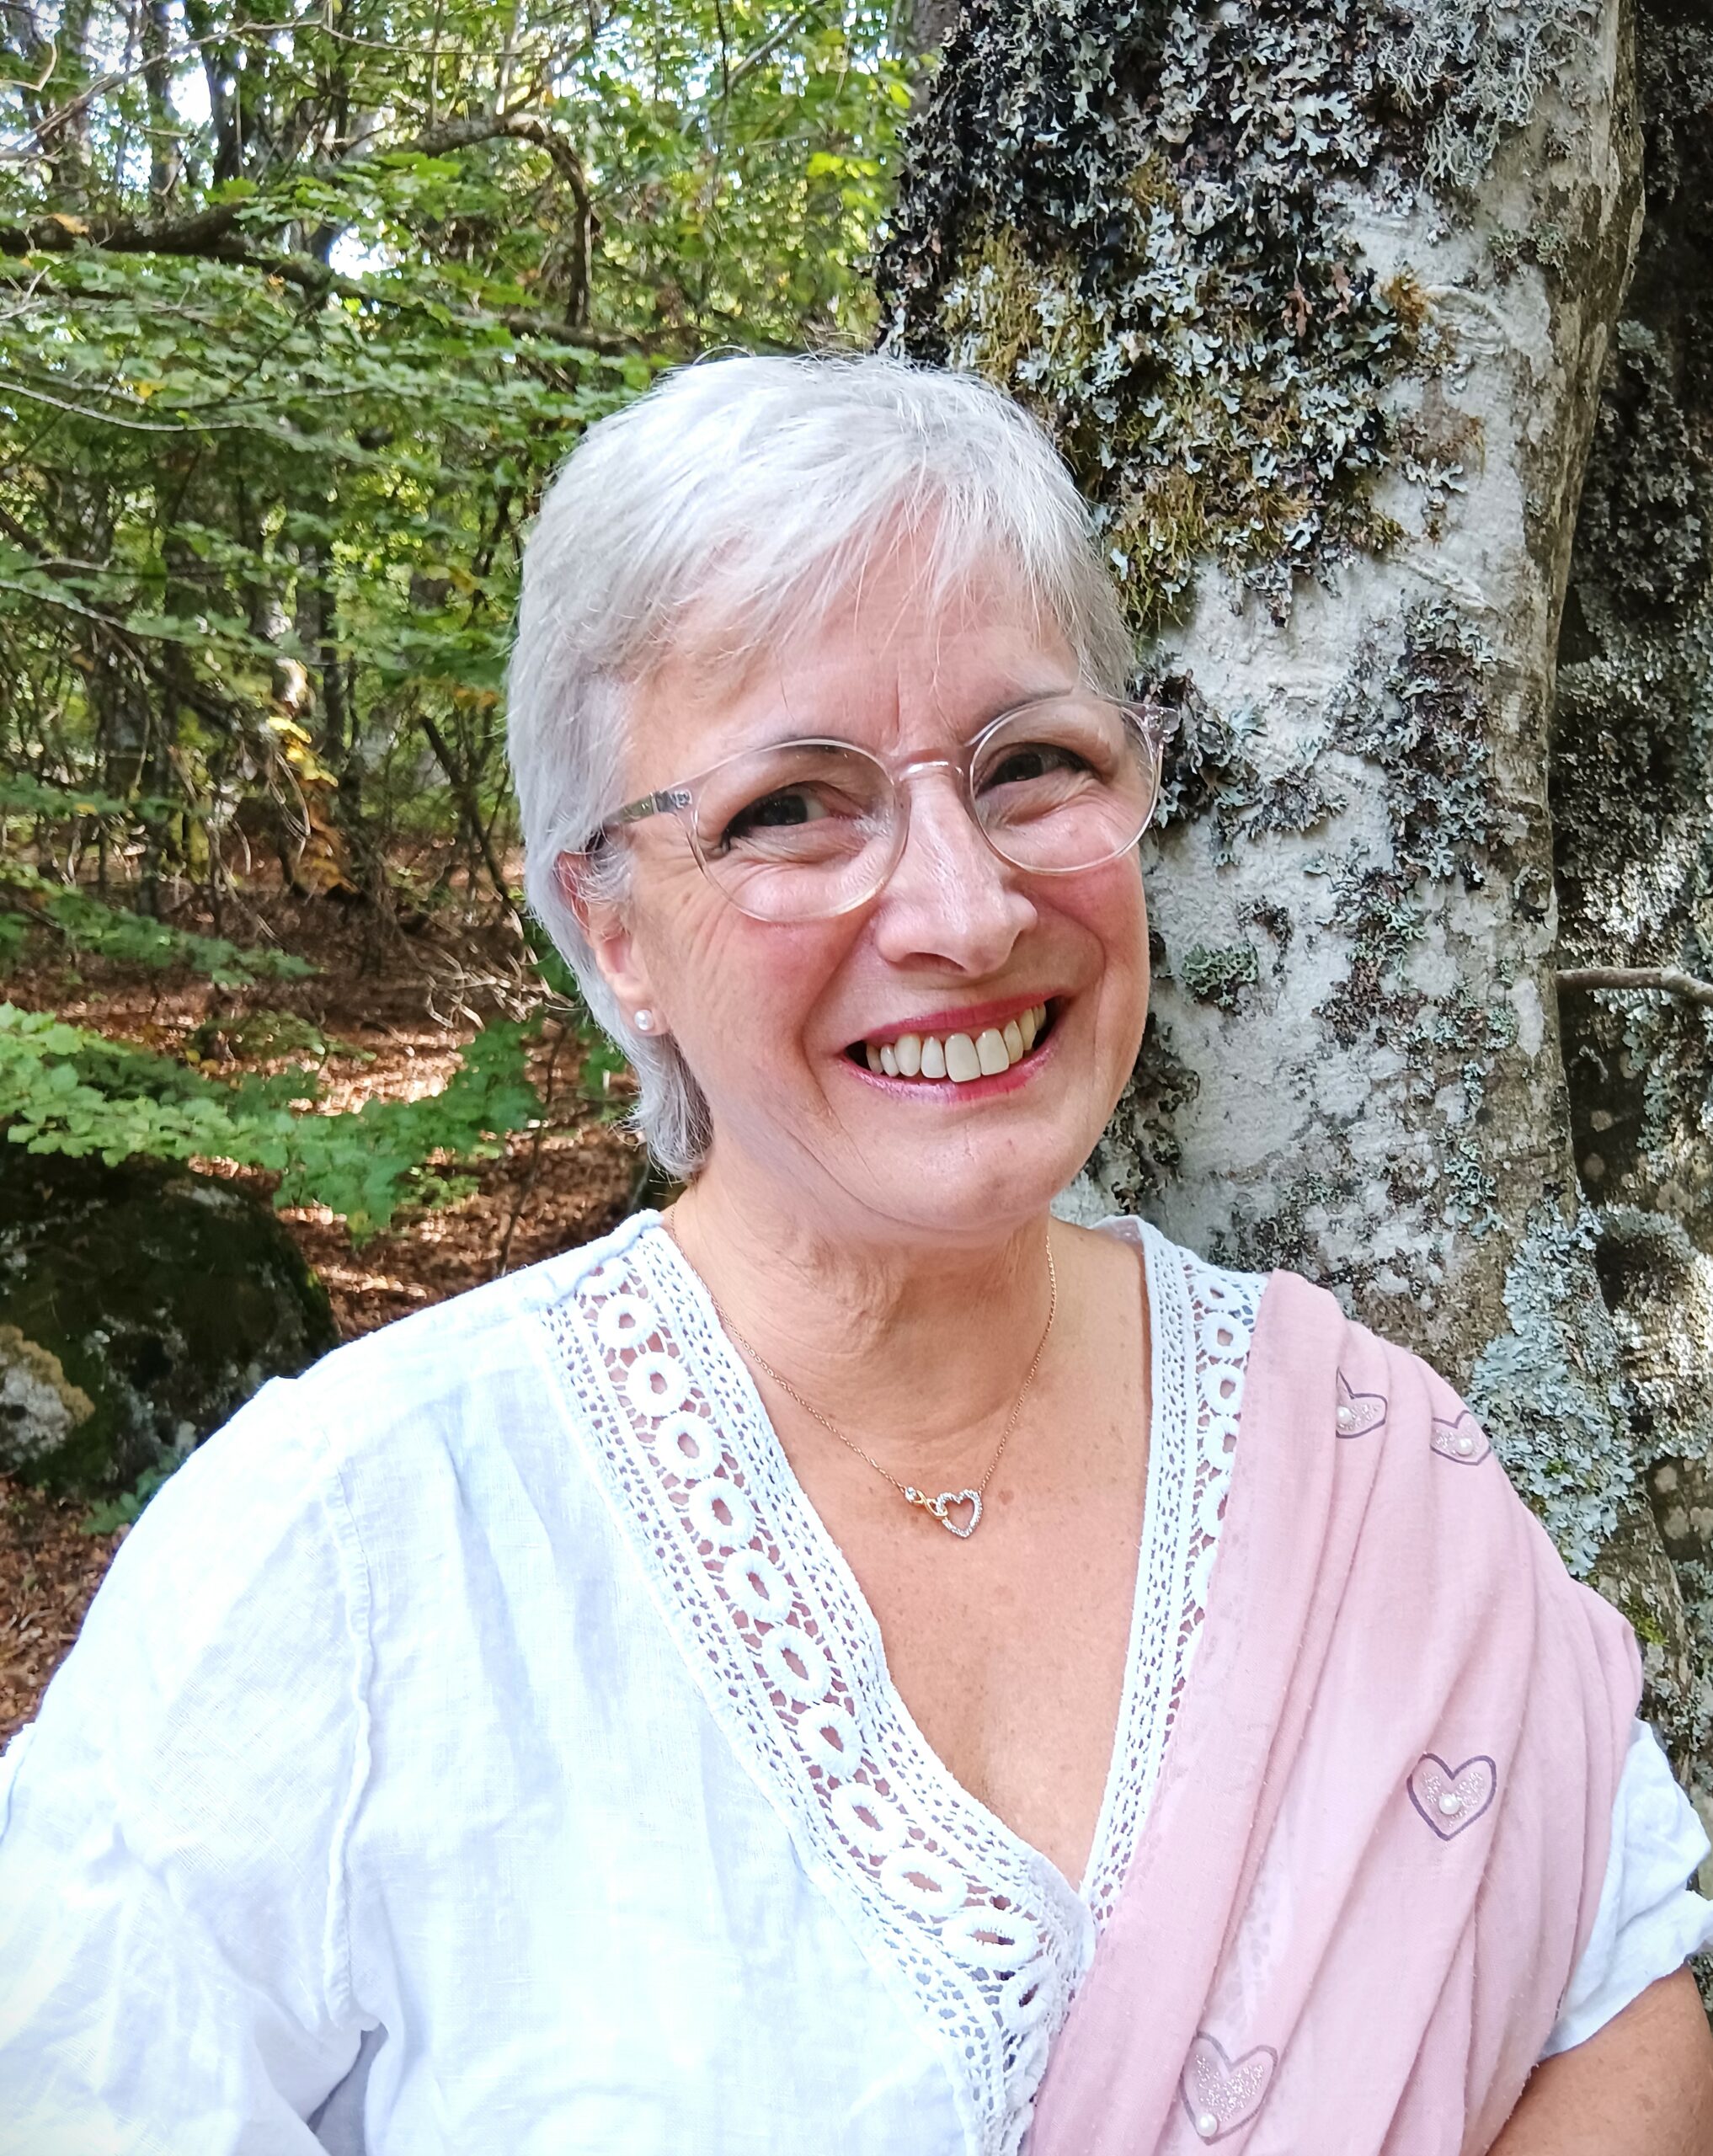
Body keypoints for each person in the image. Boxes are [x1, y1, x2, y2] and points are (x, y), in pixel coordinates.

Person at [1, 354, 1710, 2156]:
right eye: (790, 807)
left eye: (1032, 764)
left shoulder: (1369, 1460)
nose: (965, 911)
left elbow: (1617, 1999)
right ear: (612, 928)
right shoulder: (355, 1547)